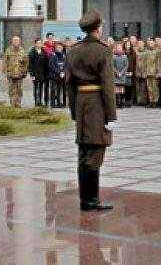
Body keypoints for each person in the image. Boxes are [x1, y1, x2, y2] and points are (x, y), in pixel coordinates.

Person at [65, 11, 117, 212]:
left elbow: (69, 84)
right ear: (98, 28)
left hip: (81, 103)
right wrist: (111, 115)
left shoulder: (74, 50)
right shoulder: (103, 50)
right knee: (95, 151)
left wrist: (74, 111)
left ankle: (85, 199)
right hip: (96, 104)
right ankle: (91, 200)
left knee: (83, 151)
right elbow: (107, 85)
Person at [1, 36, 29, 108]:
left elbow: (26, 62)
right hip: (11, 74)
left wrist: (25, 72)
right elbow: (4, 62)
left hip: (20, 74)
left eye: (17, 41)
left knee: (19, 90)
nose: (16, 42)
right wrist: (5, 71)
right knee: (11, 90)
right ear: (12, 42)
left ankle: (18, 104)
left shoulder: (22, 51)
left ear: (19, 42)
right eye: (14, 41)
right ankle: (12, 104)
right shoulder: (8, 50)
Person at [29, 38, 49, 107]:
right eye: (38, 43)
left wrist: (46, 73)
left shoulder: (44, 52)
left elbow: (46, 63)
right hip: (35, 73)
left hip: (42, 73)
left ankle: (40, 101)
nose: (39, 44)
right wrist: (32, 74)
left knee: (41, 88)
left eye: (40, 43)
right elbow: (30, 64)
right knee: (36, 88)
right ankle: (36, 101)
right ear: (35, 44)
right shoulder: (32, 52)